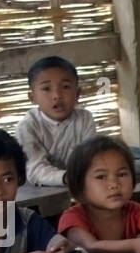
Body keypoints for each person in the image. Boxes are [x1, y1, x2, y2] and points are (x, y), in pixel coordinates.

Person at [14, 55, 97, 186]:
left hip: (83, 186)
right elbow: (35, 169)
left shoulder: (84, 119)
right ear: (32, 97)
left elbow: (91, 159)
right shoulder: (28, 126)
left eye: (65, 87)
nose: (57, 96)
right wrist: (67, 177)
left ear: (78, 94)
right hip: (42, 193)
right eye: (47, 88)